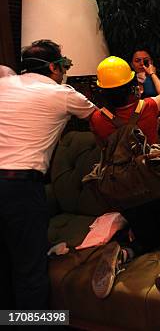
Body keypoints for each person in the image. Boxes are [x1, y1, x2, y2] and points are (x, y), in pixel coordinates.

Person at [89, 56, 160, 324]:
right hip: (159, 184)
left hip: (125, 192)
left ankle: (125, 252)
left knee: (148, 240)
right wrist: (151, 73)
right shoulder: (148, 107)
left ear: (103, 91)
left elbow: (104, 148)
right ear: (131, 85)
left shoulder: (97, 119)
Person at [0, 39, 96, 310]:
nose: (64, 71)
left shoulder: (4, 83)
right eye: (64, 65)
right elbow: (100, 119)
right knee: (30, 272)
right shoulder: (62, 93)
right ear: (54, 67)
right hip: (18, 187)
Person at [130, 48, 160, 133]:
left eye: (145, 61)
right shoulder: (128, 84)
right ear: (132, 65)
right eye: (137, 61)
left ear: (151, 62)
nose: (142, 64)